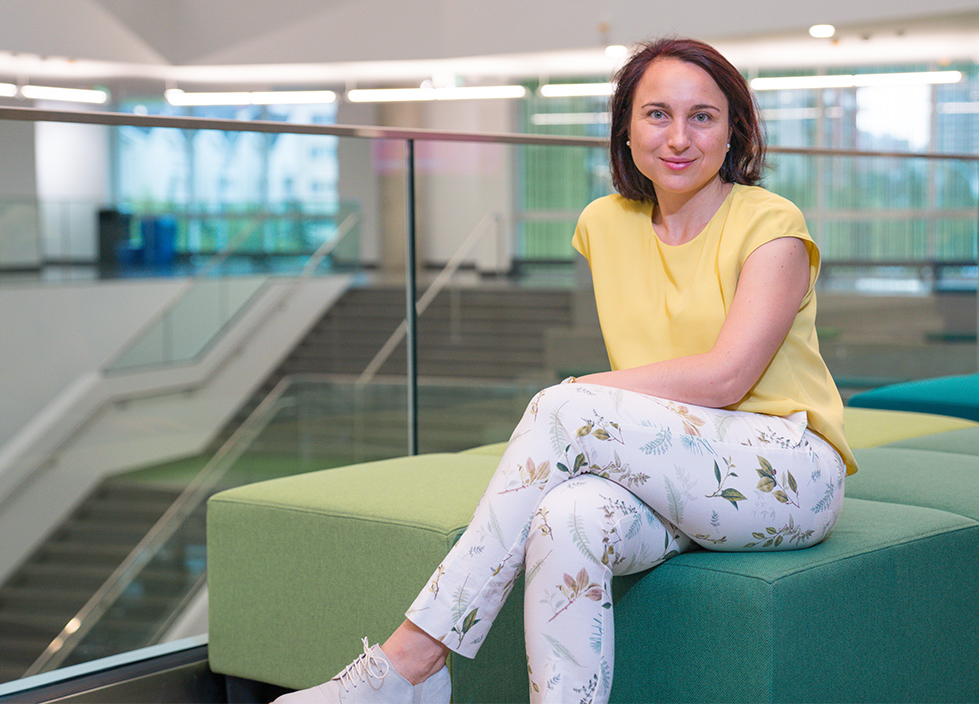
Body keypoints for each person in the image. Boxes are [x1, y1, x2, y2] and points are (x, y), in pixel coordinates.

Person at [275, 37, 858, 704]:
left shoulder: (773, 224)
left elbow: (728, 378)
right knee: (565, 518)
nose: (679, 137)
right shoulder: (604, 224)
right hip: (667, 468)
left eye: (703, 116)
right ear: (626, 129)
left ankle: (412, 660)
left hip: (787, 475)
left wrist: (575, 395)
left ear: (734, 133)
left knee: (563, 407)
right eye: (657, 114)